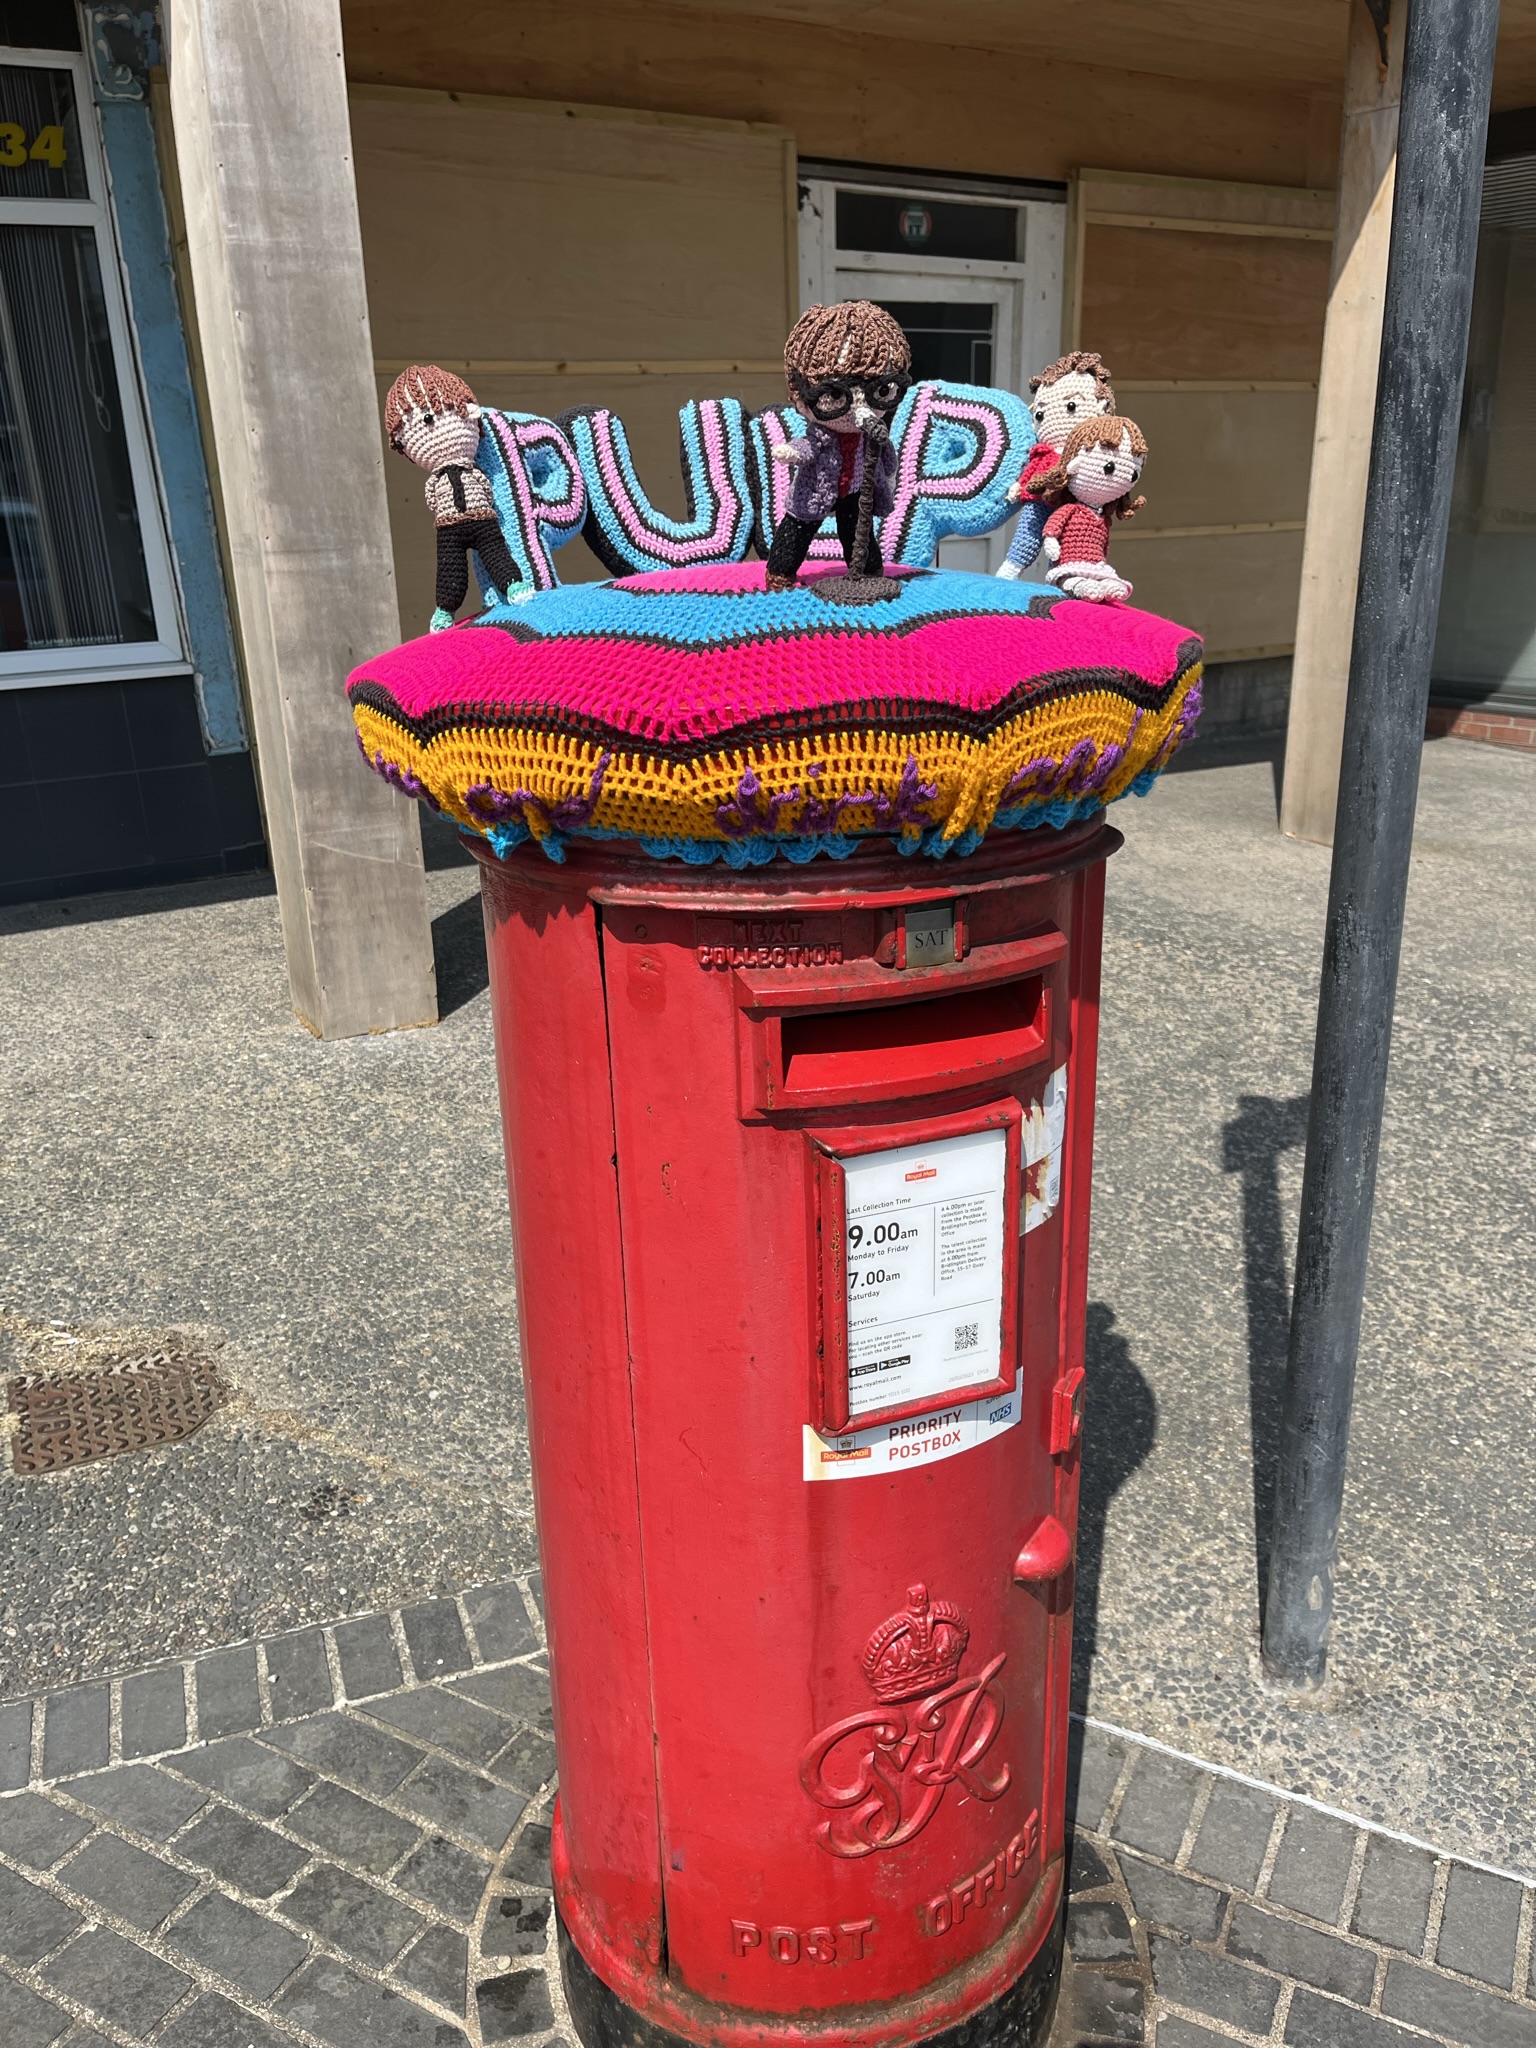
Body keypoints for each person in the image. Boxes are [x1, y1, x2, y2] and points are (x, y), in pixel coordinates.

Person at [766, 302, 911, 592]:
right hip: (815, 489)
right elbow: (809, 446)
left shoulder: (872, 436)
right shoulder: (824, 434)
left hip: (856, 491)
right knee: (798, 526)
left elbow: (887, 458)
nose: (860, 408)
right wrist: (792, 452)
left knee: (858, 531)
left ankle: (869, 572)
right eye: (835, 394)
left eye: (880, 390)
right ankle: (780, 571)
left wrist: (889, 479)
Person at [384, 365, 521, 630]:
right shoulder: (441, 479)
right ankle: (445, 611)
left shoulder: (467, 473)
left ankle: (514, 586)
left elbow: (438, 500)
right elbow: (441, 498)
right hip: (450, 528)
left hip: (480, 520)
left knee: (497, 555)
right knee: (450, 572)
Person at [995, 351, 1116, 581]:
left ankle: (1061, 577)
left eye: (1071, 406)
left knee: (1065, 545)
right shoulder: (1043, 452)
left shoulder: (1088, 455)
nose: (1047, 418)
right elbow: (1032, 471)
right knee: (1026, 536)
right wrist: (1020, 485)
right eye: (1039, 413)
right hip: (1037, 502)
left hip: (1069, 506)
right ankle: (1011, 568)